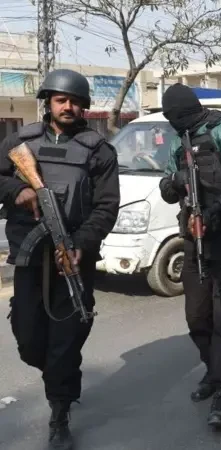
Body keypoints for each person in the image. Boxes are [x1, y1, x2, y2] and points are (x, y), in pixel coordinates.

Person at [0, 69, 120, 449]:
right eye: (61, 100)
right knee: (28, 340)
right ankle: (60, 374)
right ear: (48, 102)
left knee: (66, 341)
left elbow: (107, 206)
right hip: (29, 257)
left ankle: (60, 411)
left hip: (73, 259)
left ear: (84, 106)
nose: (68, 106)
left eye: (75, 101)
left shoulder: (99, 150)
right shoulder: (20, 142)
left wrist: (82, 242)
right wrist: (17, 190)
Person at [158, 84, 221, 431]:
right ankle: (214, 371)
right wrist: (174, 184)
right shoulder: (179, 140)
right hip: (194, 239)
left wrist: (214, 212)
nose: (172, 121)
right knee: (197, 318)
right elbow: (166, 186)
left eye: (174, 115)